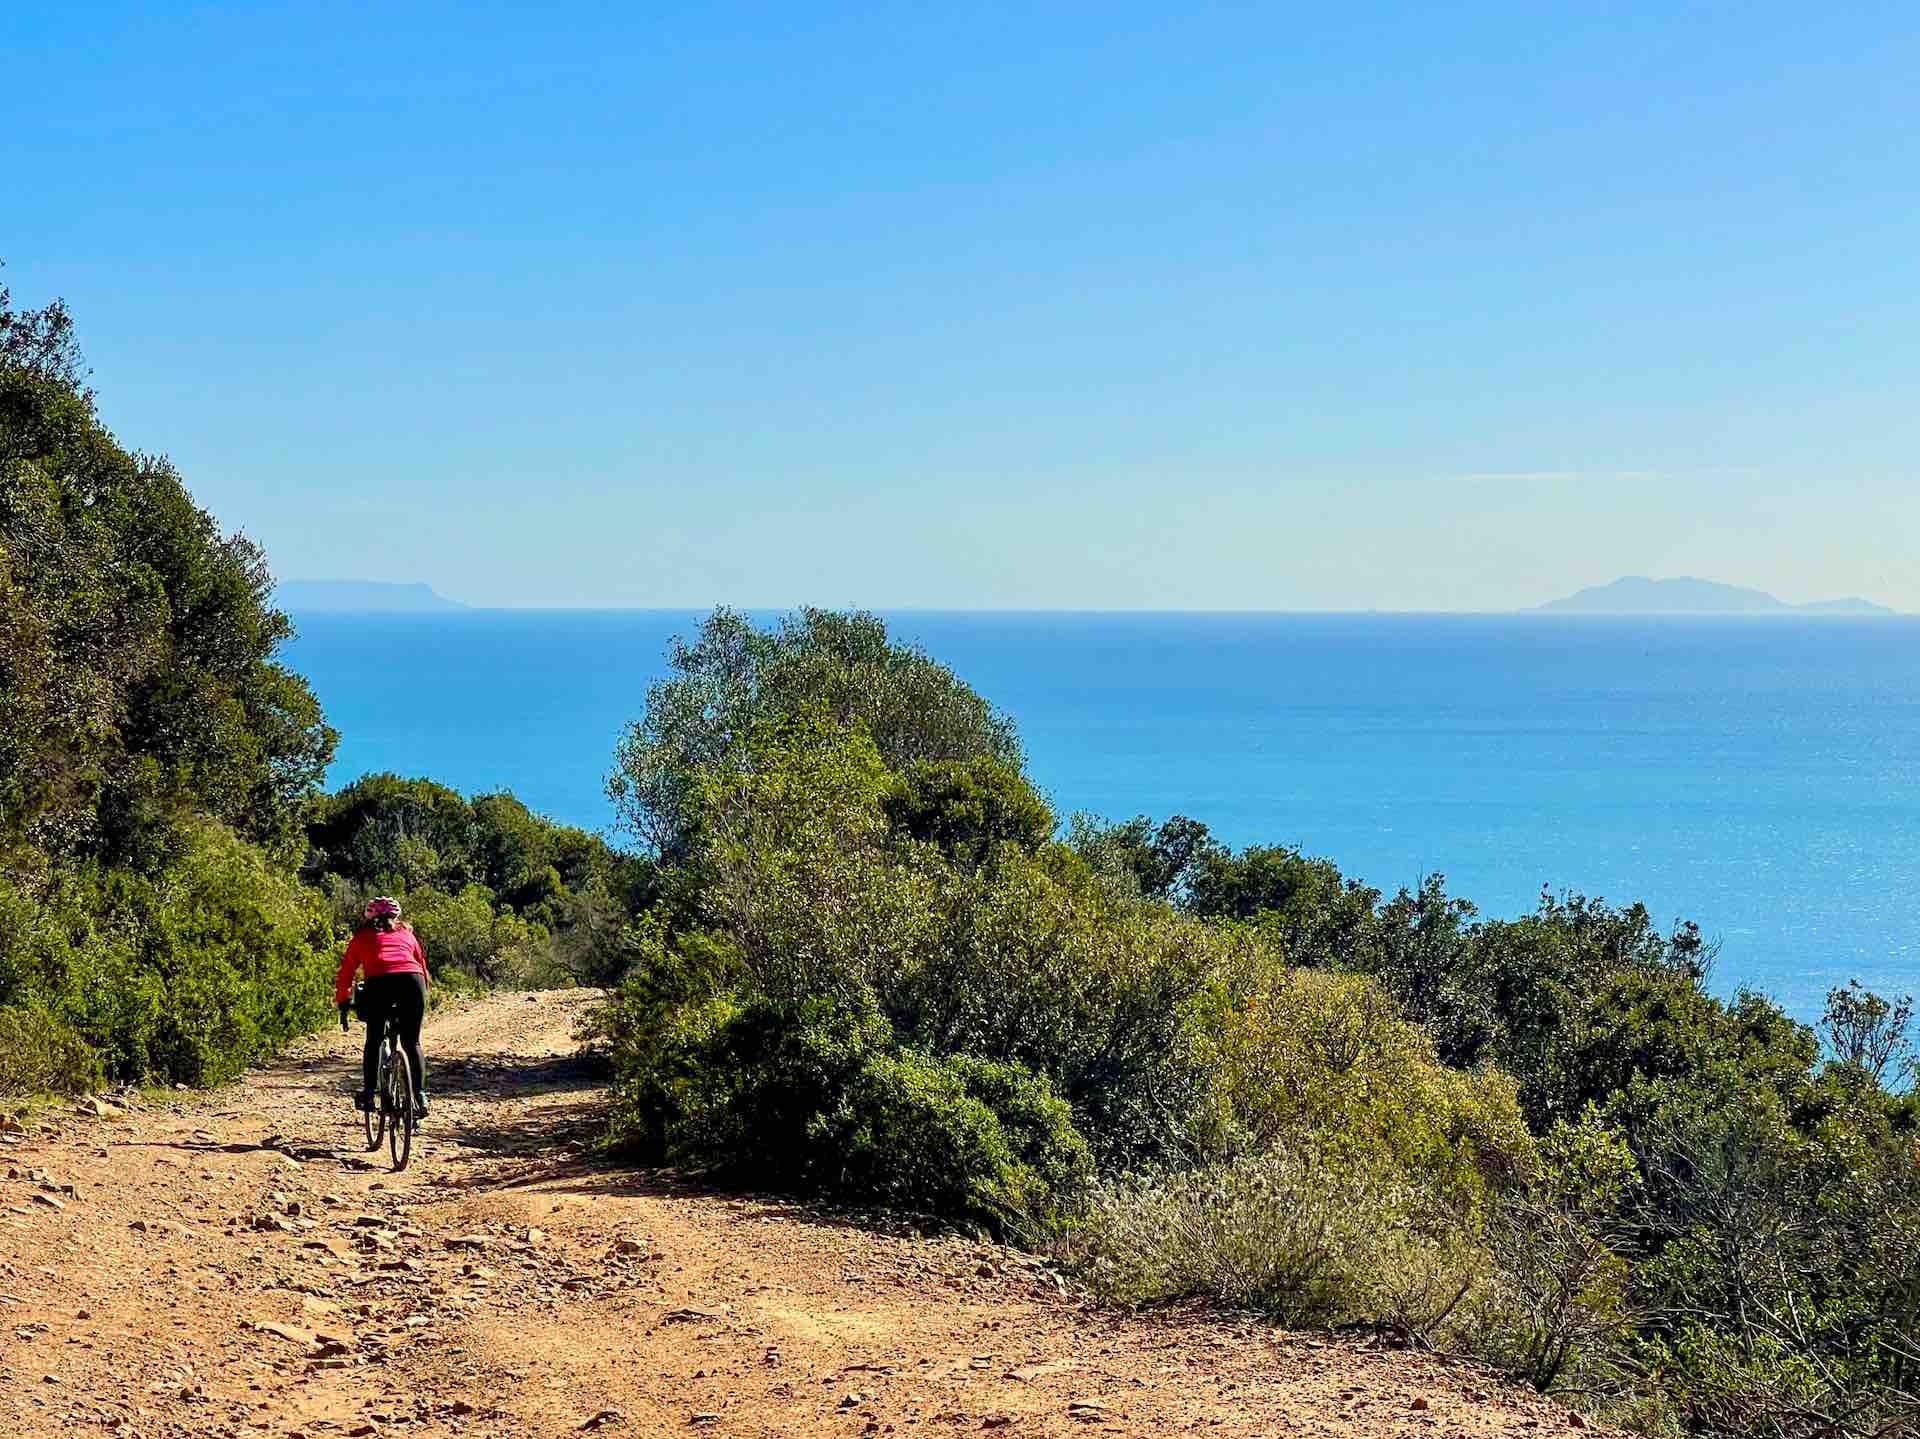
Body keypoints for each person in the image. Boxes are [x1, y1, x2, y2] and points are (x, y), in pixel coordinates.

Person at [334, 896, 431, 1119]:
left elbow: (346, 972)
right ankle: (420, 1096)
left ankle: (369, 1095)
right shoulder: (407, 934)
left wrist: (343, 1000)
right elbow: (422, 966)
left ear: (369, 917)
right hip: (413, 982)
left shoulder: (362, 937)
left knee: (375, 1039)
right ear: (396, 917)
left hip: (380, 983)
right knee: (412, 1041)